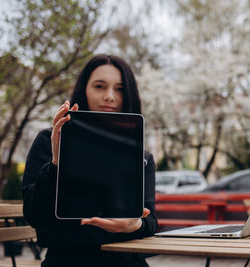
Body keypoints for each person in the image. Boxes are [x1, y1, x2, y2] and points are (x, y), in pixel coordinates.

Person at [22, 54, 157, 267]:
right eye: (100, 86)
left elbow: (150, 221)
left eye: (120, 89)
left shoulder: (142, 157)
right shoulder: (49, 140)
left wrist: (134, 226)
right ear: (84, 89)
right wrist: (57, 161)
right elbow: (35, 217)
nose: (110, 96)